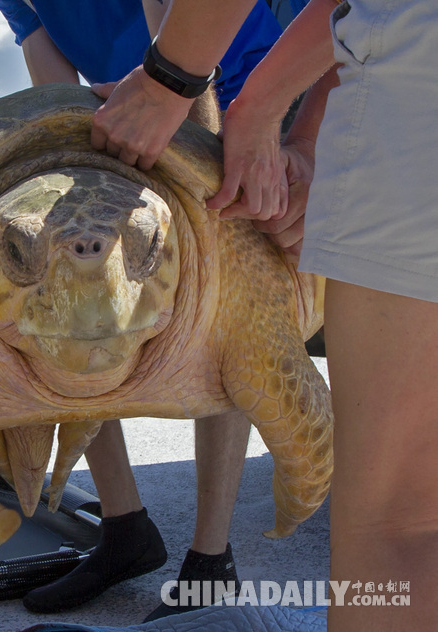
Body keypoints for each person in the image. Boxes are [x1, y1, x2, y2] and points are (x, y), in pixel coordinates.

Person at [94, 0, 438, 630]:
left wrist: (196, 84)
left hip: (370, 74)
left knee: (398, 521)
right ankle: (135, 536)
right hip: (294, 78)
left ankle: (211, 551)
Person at [0, 0, 283, 619]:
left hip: (233, 86)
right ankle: (126, 529)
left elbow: (186, 46)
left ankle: (212, 560)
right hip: (126, 107)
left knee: (222, 305)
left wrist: (182, 122)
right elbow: (52, 82)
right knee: (68, 292)